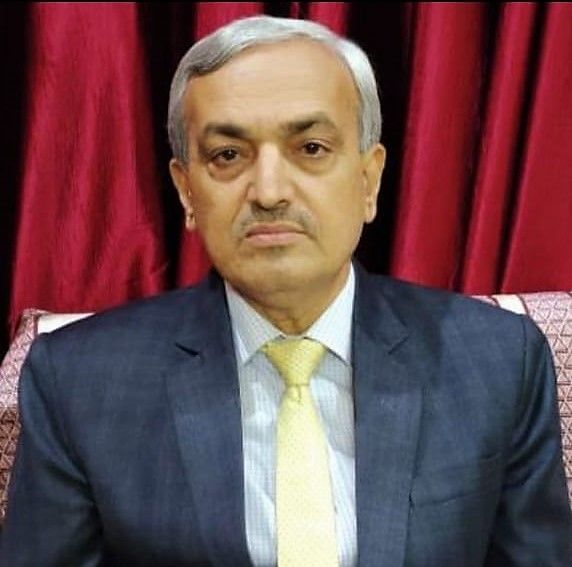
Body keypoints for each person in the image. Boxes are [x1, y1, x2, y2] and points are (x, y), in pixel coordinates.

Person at [1, 15, 571, 566]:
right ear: (187, 192)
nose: (269, 191)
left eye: (311, 148)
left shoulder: (497, 361)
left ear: (369, 180)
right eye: (228, 155)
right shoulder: (78, 383)